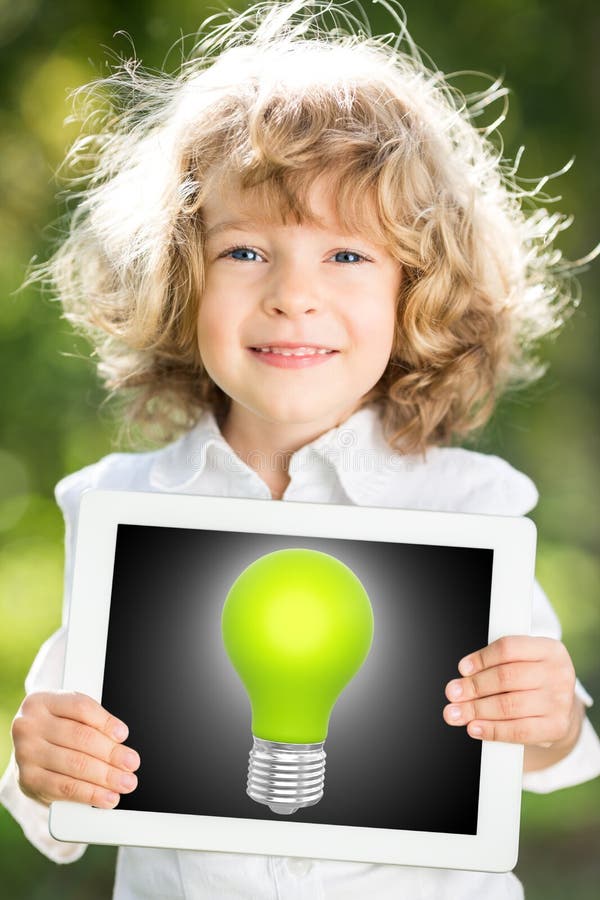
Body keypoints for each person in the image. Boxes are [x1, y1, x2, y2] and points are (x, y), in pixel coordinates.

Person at [2, 1, 599, 897]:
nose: (294, 295)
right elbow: (58, 781)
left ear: (418, 288)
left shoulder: (473, 510)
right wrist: (46, 767)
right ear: (180, 272)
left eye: (348, 257)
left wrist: (547, 720)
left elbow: (549, 751)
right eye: (246, 251)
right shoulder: (116, 507)